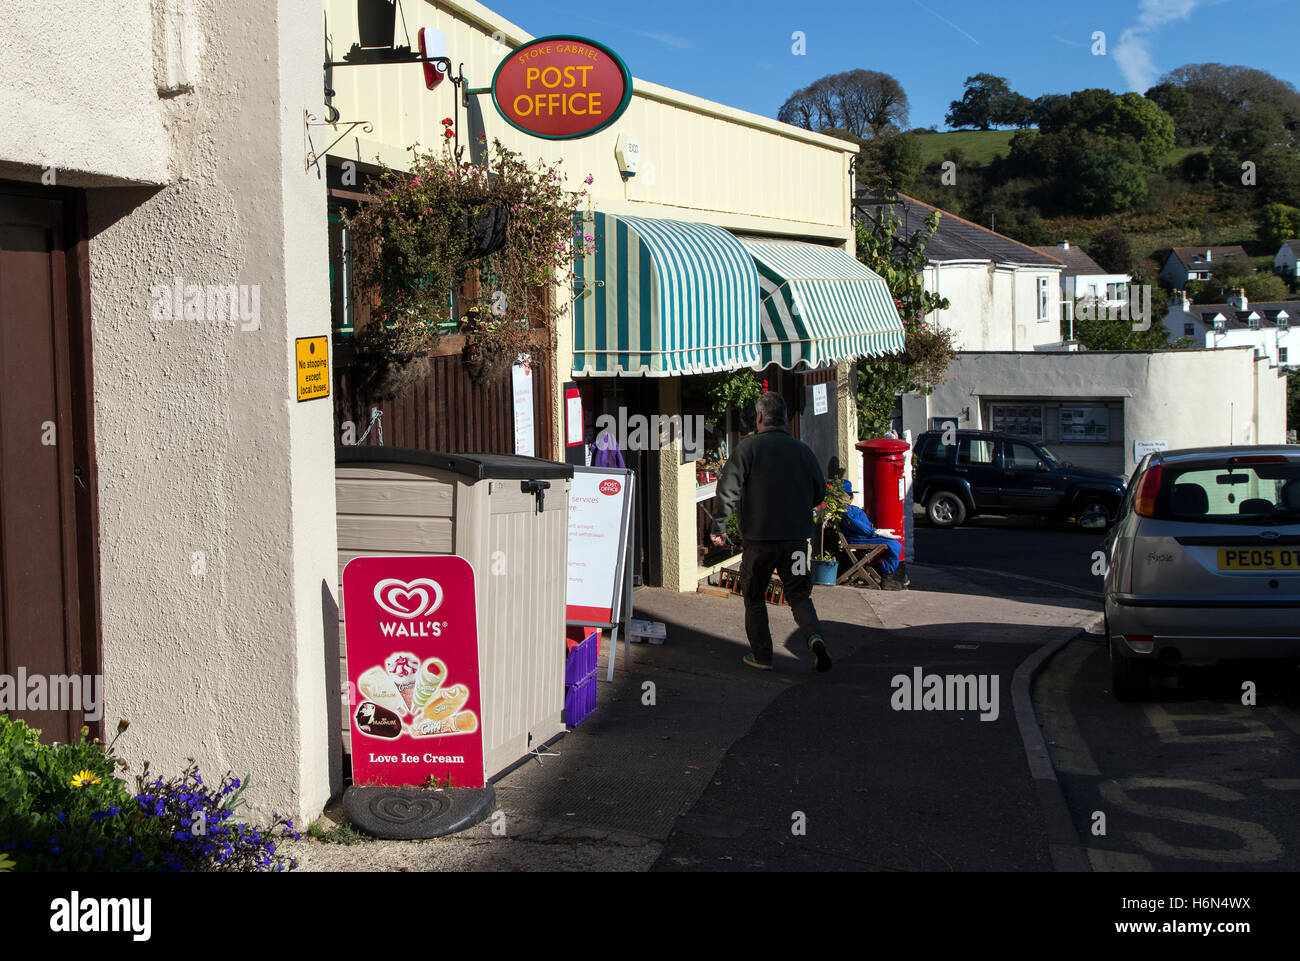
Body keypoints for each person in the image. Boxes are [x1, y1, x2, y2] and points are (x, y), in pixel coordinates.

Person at [710, 392, 832, 672]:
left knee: (754, 596)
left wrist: (719, 527)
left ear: (760, 417)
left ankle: (762, 656)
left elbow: (727, 490)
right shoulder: (803, 451)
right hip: (796, 542)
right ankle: (814, 637)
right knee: (800, 595)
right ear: (786, 419)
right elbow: (819, 493)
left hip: (759, 542)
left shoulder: (748, 449)